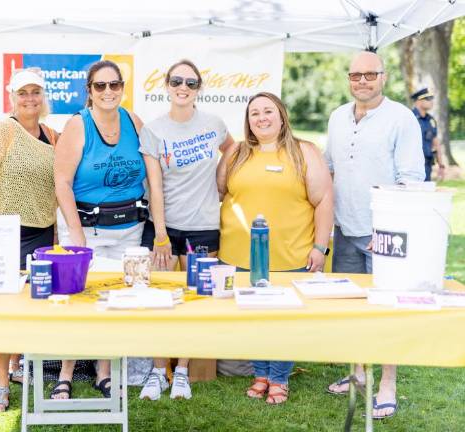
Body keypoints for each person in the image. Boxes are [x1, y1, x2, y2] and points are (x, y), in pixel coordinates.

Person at [325, 51, 424, 419]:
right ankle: (357, 373)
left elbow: (411, 179)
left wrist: (385, 227)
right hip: (344, 229)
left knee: (386, 307)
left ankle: (388, 383)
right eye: (355, 75)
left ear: (384, 77)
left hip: (383, 233)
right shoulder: (337, 117)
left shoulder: (402, 118)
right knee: (351, 305)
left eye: (370, 74)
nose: (362, 81)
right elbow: (329, 170)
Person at [217, 91, 333, 404]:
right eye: (255, 113)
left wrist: (320, 247)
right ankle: (261, 374)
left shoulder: (303, 151)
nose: (262, 118)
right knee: (253, 317)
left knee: (283, 319)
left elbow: (323, 200)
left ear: (281, 116)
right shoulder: (236, 153)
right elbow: (221, 191)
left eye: (268, 111)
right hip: (240, 254)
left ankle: (279, 378)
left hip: (291, 253)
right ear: (248, 121)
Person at [137, 59, 234, 401]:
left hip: (204, 228)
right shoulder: (153, 130)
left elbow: (233, 150)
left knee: (194, 301)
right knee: (159, 300)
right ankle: (157, 371)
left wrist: (221, 183)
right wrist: (160, 234)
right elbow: (155, 186)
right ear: (166, 86)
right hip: (164, 229)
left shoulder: (215, 124)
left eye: (190, 83)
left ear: (198, 90)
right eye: (177, 81)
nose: (183, 87)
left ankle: (181, 373)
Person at [54, 60, 146, 400]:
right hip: (85, 230)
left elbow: (150, 171)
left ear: (122, 88)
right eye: (100, 86)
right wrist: (76, 235)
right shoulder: (78, 126)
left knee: (117, 299)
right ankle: (65, 372)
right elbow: (61, 181)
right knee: (77, 301)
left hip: (129, 230)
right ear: (89, 91)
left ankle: (103, 371)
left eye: (114, 85)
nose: (108, 92)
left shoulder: (134, 121)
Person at [0, 67, 59, 412]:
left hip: (42, 231)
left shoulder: (52, 134)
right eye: (23, 93)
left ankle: (20, 364)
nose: (30, 98)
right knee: (4, 309)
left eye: (35, 92)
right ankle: (2, 383)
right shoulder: (3, 129)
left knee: (32, 305)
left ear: (43, 96)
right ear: (12, 96)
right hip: (5, 231)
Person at [411, 87, 445, 181]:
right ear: (418, 101)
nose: (431, 101)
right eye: (428, 99)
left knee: (426, 193)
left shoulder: (431, 120)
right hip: (412, 165)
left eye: (431, 99)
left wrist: (441, 165)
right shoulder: (409, 118)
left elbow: (436, 143)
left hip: (427, 165)